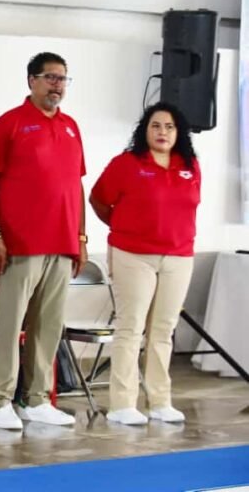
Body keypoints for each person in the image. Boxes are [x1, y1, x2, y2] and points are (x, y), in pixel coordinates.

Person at [0, 52, 86, 430]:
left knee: (48, 326)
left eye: (63, 78)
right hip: (19, 245)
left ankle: (36, 399)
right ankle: (0, 401)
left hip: (62, 244)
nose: (57, 85)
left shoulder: (71, 127)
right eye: (50, 77)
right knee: (9, 326)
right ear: (32, 81)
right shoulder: (9, 123)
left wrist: (81, 237)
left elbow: (76, 185)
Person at [90, 102, 200, 425]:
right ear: (145, 130)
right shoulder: (126, 163)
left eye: (169, 127)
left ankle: (160, 402)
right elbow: (98, 199)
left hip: (179, 257)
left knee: (163, 331)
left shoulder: (190, 166)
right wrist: (122, 226)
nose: (162, 132)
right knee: (131, 327)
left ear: (178, 133)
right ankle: (122, 404)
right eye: (156, 126)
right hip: (133, 256)